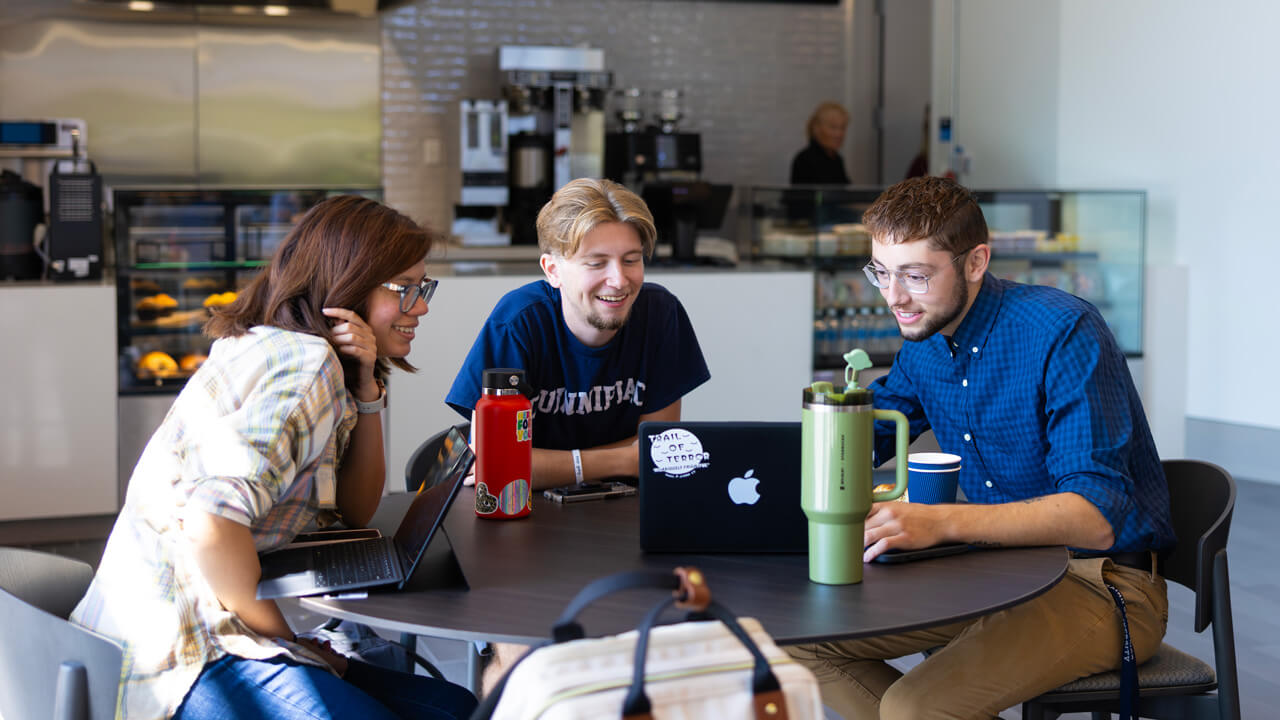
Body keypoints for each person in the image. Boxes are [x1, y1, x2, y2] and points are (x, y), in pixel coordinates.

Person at [70, 196, 478, 720]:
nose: (420, 306)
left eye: (424, 288)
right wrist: (295, 647)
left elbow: (354, 509)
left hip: (177, 622)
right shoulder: (305, 367)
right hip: (185, 645)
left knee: (453, 706)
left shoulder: (296, 354)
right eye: (405, 289)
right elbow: (210, 521)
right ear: (346, 287)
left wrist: (368, 389)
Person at [786, 176, 1175, 719]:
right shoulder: (924, 344)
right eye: (882, 273)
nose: (894, 298)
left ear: (975, 263)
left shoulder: (1063, 329)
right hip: (996, 573)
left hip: (1103, 582)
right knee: (794, 648)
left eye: (916, 276)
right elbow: (868, 431)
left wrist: (939, 522)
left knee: (914, 708)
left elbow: (1096, 518)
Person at [446, 177, 710, 490]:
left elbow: (660, 452)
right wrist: (624, 459)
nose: (619, 280)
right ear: (552, 271)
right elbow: (498, 466)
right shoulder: (518, 323)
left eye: (632, 260)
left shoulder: (661, 314)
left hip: (627, 511)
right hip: (529, 515)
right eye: (596, 263)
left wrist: (543, 462)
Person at [790, 101, 851, 185]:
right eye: (833, 127)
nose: (839, 134)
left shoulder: (837, 159)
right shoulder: (804, 160)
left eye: (842, 128)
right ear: (816, 129)